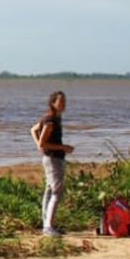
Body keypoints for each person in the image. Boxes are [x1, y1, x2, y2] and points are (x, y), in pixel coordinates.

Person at [32, 90, 74, 237]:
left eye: (64, 101)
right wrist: (64, 147)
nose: (63, 105)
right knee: (57, 192)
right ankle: (48, 227)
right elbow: (44, 143)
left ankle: (47, 224)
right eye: (60, 102)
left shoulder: (54, 118)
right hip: (53, 159)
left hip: (53, 158)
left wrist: (40, 146)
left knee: (50, 191)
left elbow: (33, 129)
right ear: (53, 103)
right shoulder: (50, 121)